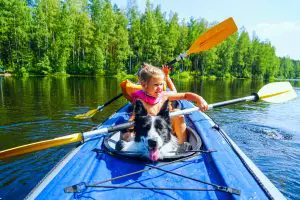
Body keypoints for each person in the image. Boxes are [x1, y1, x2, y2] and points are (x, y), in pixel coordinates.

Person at [123, 63, 208, 146]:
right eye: (156, 85)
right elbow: (133, 118)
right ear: (144, 85)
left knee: (178, 113)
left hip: (165, 131)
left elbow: (185, 95)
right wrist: (130, 128)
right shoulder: (140, 101)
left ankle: (182, 145)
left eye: (161, 84)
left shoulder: (164, 95)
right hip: (150, 134)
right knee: (127, 136)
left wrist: (199, 99)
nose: (160, 88)